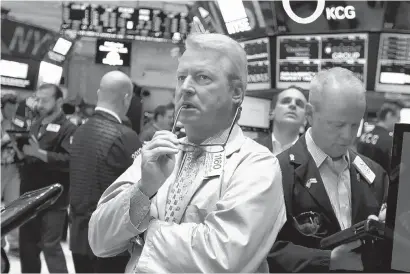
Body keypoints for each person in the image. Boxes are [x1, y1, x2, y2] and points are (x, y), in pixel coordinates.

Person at [88, 33, 286, 273]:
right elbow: (98, 238)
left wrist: (140, 233)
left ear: (236, 93)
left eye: (203, 77)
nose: (185, 88)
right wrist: (143, 189)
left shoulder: (257, 164)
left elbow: (220, 258)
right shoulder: (157, 152)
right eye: (181, 77)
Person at [267, 67, 389, 272]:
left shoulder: (375, 173)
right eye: (337, 125)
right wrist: (327, 260)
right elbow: (266, 250)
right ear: (310, 115)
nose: (348, 136)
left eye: (355, 125)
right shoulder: (278, 171)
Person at [69, 71, 142, 273]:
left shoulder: (78, 130)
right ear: (127, 98)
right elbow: (144, 188)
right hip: (110, 240)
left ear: (99, 92)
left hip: (78, 234)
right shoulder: (125, 137)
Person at [18, 83, 77, 273]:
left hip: (53, 199)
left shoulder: (68, 128)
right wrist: (21, 152)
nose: (40, 104)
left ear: (59, 101)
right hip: (28, 196)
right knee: (27, 246)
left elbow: (69, 161)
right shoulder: (36, 123)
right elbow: (30, 154)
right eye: (38, 99)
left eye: (45, 100)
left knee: (50, 246)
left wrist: (39, 153)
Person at [256, 86, 307, 155]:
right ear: (271, 113)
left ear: (305, 120)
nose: (293, 105)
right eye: (286, 101)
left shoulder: (313, 158)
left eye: (299, 104)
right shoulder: (249, 149)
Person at [1, 93, 22, 256]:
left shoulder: (18, 124)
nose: (12, 111)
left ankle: (15, 243)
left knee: (13, 206)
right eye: (9, 108)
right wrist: (5, 139)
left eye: (14, 108)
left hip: (14, 169)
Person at [357, 102, 401, 173]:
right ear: (389, 116)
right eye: (398, 118)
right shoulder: (390, 140)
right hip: (379, 181)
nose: (399, 121)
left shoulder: (364, 135)